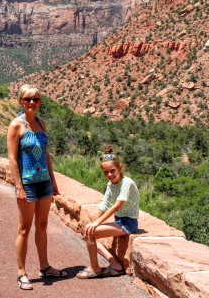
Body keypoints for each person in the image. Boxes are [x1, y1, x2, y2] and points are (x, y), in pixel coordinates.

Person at [7, 84, 67, 290]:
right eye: (28, 99)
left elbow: (46, 154)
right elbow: (12, 158)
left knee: (42, 226)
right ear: (21, 101)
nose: (32, 103)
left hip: (44, 184)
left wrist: (53, 181)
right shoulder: (16, 125)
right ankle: (21, 272)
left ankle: (45, 266)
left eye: (36, 99)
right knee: (24, 229)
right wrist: (19, 187)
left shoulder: (41, 123)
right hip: (28, 185)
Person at [77, 144, 140, 279]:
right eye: (105, 172)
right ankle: (114, 264)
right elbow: (104, 205)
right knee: (88, 232)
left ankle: (94, 268)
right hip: (119, 220)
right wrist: (95, 223)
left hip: (128, 223)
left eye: (112, 171)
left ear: (120, 168)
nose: (109, 175)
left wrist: (97, 223)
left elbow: (116, 206)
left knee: (90, 233)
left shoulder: (127, 183)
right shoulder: (111, 184)